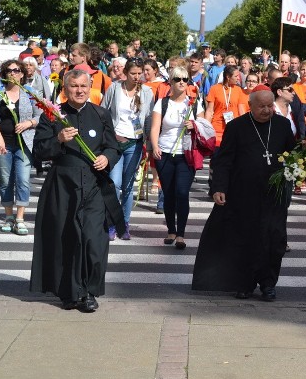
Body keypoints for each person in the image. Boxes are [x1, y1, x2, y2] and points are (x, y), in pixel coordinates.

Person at [30, 69, 122, 312]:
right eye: (74, 86)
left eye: (84, 86)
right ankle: (70, 293)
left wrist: (106, 158)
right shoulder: (52, 116)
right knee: (67, 240)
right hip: (63, 187)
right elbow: (39, 152)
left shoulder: (101, 115)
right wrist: (58, 139)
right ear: (65, 88)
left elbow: (113, 147)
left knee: (93, 239)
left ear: (90, 87)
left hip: (93, 186)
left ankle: (90, 291)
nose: (80, 90)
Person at [191, 87, 296, 300]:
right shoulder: (237, 127)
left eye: (270, 106)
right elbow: (224, 160)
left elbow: (293, 154)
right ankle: (245, 282)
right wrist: (219, 187)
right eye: (262, 107)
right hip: (243, 194)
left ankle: (268, 283)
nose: (267, 110)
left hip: (274, 196)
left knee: (274, 240)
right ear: (251, 107)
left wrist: (297, 170)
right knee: (245, 239)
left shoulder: (283, 125)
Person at [150, 67, 212, 248]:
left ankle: (181, 234)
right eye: (177, 79)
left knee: (182, 193)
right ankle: (171, 230)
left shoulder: (193, 103)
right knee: (168, 193)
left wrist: (194, 125)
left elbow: (204, 127)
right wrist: (154, 146)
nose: (182, 82)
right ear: (170, 82)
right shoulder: (162, 103)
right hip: (165, 152)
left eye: (185, 79)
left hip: (187, 154)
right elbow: (155, 127)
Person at [100, 60, 153, 240]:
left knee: (128, 185)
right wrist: (106, 137)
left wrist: (149, 145)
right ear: (126, 72)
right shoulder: (114, 88)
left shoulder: (147, 92)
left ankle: (125, 223)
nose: (137, 77)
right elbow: (102, 112)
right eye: (133, 73)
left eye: (140, 73)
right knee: (114, 183)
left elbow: (148, 120)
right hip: (115, 142)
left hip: (135, 143)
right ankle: (112, 222)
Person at [0, 59, 42, 234]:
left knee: (22, 180)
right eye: (9, 71)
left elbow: (41, 116)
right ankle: (8, 216)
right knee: (6, 182)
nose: (12, 73)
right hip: (3, 144)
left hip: (24, 143)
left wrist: (28, 123)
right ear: (5, 74)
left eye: (16, 70)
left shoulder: (30, 93)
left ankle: (20, 218)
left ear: (22, 74)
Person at [204, 65, 246, 145]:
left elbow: (241, 111)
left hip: (234, 129)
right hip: (217, 129)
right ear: (228, 77)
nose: (238, 78)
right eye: (236, 76)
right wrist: (206, 129)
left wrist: (244, 128)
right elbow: (209, 111)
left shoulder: (238, 90)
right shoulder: (214, 88)